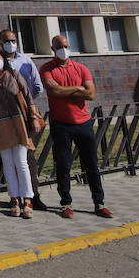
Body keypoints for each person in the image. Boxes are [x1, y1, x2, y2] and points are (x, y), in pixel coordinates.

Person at [39, 35, 113, 220]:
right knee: (63, 164)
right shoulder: (47, 69)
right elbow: (53, 91)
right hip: (61, 124)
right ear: (52, 48)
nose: (63, 49)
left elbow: (91, 94)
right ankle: (66, 203)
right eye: (59, 46)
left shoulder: (81, 68)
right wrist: (77, 89)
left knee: (91, 164)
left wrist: (70, 90)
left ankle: (99, 203)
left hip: (83, 123)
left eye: (65, 45)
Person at [0, 47, 36, 217]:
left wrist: (33, 116)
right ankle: (14, 198)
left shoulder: (13, 74)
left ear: (3, 59)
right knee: (7, 163)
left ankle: (27, 198)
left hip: (18, 121)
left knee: (21, 161)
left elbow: (28, 96)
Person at [0, 28, 48, 208]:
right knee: (9, 158)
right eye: (6, 40)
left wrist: (26, 103)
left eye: (12, 40)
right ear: (0, 42)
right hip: (4, 117)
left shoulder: (26, 61)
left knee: (28, 156)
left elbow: (37, 86)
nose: (10, 43)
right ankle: (15, 196)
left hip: (25, 115)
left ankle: (33, 195)